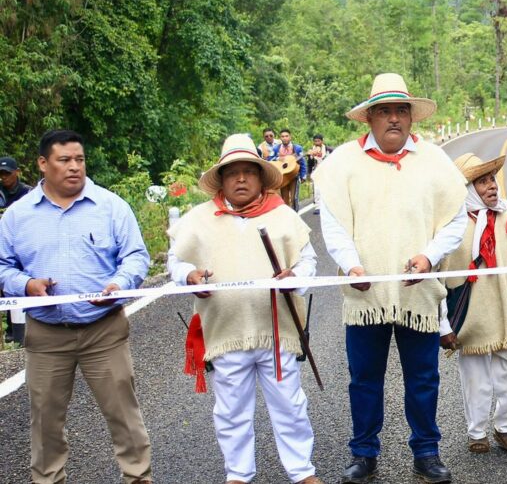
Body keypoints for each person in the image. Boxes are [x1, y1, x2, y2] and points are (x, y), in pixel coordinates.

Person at [312, 73, 468, 484]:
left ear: (411, 117)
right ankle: (364, 453)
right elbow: (333, 224)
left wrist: (429, 256)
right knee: (365, 379)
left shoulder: (434, 161)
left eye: (401, 111)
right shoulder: (341, 164)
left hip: (417, 293)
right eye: (385, 111)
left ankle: (427, 452)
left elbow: (455, 220)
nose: (394, 119)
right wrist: (350, 265)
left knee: (423, 378)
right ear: (369, 119)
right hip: (365, 296)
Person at [0, 129, 154, 484]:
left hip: (104, 329)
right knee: (45, 419)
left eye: (79, 160)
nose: (74, 167)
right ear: (42, 164)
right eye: (64, 160)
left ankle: (138, 478)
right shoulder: (17, 216)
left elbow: (134, 256)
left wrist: (120, 284)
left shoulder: (111, 206)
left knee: (124, 415)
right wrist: (25, 284)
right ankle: (49, 479)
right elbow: (4, 265)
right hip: (46, 334)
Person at [168, 133, 322, 484]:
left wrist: (293, 276)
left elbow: (308, 262)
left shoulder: (282, 215)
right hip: (226, 331)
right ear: (221, 179)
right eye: (232, 172)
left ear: (259, 176)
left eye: (248, 172)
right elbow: (175, 264)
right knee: (231, 411)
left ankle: (302, 472)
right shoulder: (199, 219)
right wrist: (190, 276)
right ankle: (238, 473)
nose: (240, 178)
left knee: (290, 407)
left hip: (277, 330)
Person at [438, 153, 507, 454]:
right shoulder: (452, 227)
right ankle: (477, 432)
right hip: (472, 315)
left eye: (491, 180)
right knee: (475, 377)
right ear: (467, 189)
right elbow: (439, 281)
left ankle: (506, 427)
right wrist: (443, 324)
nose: (491, 187)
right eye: (481, 182)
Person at [1, 156, 33, 345]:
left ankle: (20, 331)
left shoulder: (28, 194)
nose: (4, 178)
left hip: (22, 244)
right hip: (3, 245)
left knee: (21, 287)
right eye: (1, 174)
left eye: (7, 173)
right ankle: (9, 332)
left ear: (16, 173)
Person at [270, 130, 308, 210]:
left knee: (294, 198)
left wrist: (303, 175)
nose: (284, 138)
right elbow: (269, 159)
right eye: (282, 136)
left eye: (286, 136)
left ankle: (295, 214)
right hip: (283, 176)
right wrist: (278, 158)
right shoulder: (276, 148)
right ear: (280, 138)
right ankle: (287, 216)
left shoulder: (297, 148)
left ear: (290, 137)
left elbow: (302, 162)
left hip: (294, 175)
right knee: (284, 198)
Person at [305, 135, 334, 215]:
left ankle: (328, 206)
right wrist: (309, 173)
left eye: (318, 141)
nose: (317, 143)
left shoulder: (329, 150)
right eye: (315, 141)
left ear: (322, 141)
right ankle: (318, 206)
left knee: (327, 189)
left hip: (327, 171)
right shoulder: (311, 151)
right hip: (316, 171)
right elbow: (309, 164)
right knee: (317, 189)